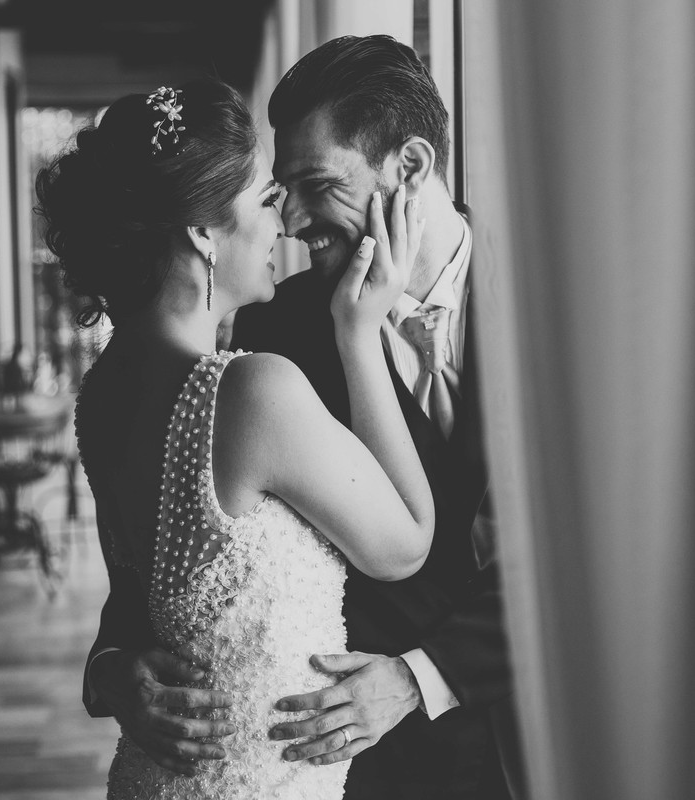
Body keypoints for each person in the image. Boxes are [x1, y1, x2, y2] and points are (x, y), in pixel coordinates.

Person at [85, 37, 525, 800]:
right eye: (274, 191)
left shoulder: (556, 309)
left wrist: (424, 675)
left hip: (537, 737)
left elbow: (592, 548)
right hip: (352, 769)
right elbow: (167, 564)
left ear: (411, 167)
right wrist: (114, 669)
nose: (288, 221)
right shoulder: (270, 340)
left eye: (314, 184)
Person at [38, 77, 435, 799]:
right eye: (263, 200)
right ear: (201, 234)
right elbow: (405, 545)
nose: (282, 222)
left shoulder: (102, 395)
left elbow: (138, 600)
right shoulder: (253, 392)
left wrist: (111, 672)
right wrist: (359, 333)